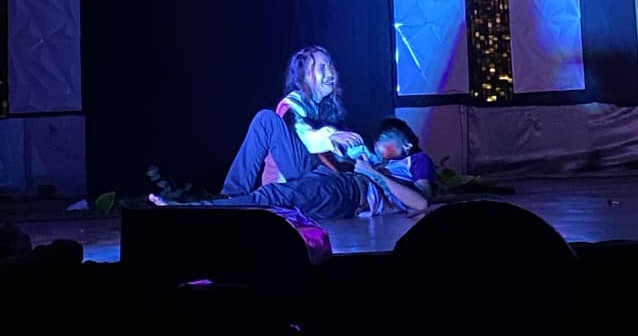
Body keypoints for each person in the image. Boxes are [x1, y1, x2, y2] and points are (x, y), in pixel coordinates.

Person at [150, 117, 436, 221]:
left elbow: (421, 202)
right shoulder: (379, 161)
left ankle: (190, 212)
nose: (379, 141)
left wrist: (370, 173)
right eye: (378, 137)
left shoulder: (417, 160)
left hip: (350, 192)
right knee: (267, 121)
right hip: (332, 176)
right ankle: (230, 197)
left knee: (272, 195)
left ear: (407, 143)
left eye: (386, 137)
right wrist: (341, 150)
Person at [222, 45, 366, 195]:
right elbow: (304, 134)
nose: (331, 74)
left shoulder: (329, 110)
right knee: (266, 119)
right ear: (305, 76)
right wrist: (330, 137)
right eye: (322, 68)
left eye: (331, 67)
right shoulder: (291, 104)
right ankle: (232, 194)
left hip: (320, 184)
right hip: (291, 180)